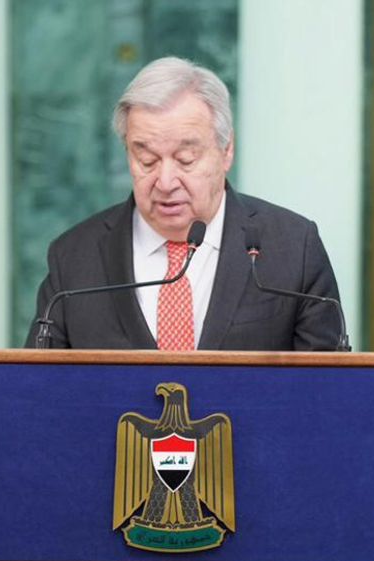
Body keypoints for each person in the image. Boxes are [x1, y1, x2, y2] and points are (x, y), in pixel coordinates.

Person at [25, 57, 343, 351]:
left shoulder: (293, 248)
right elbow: (37, 387)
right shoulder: (73, 258)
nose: (165, 182)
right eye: (147, 160)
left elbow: (325, 387)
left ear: (226, 150)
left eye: (186, 159)